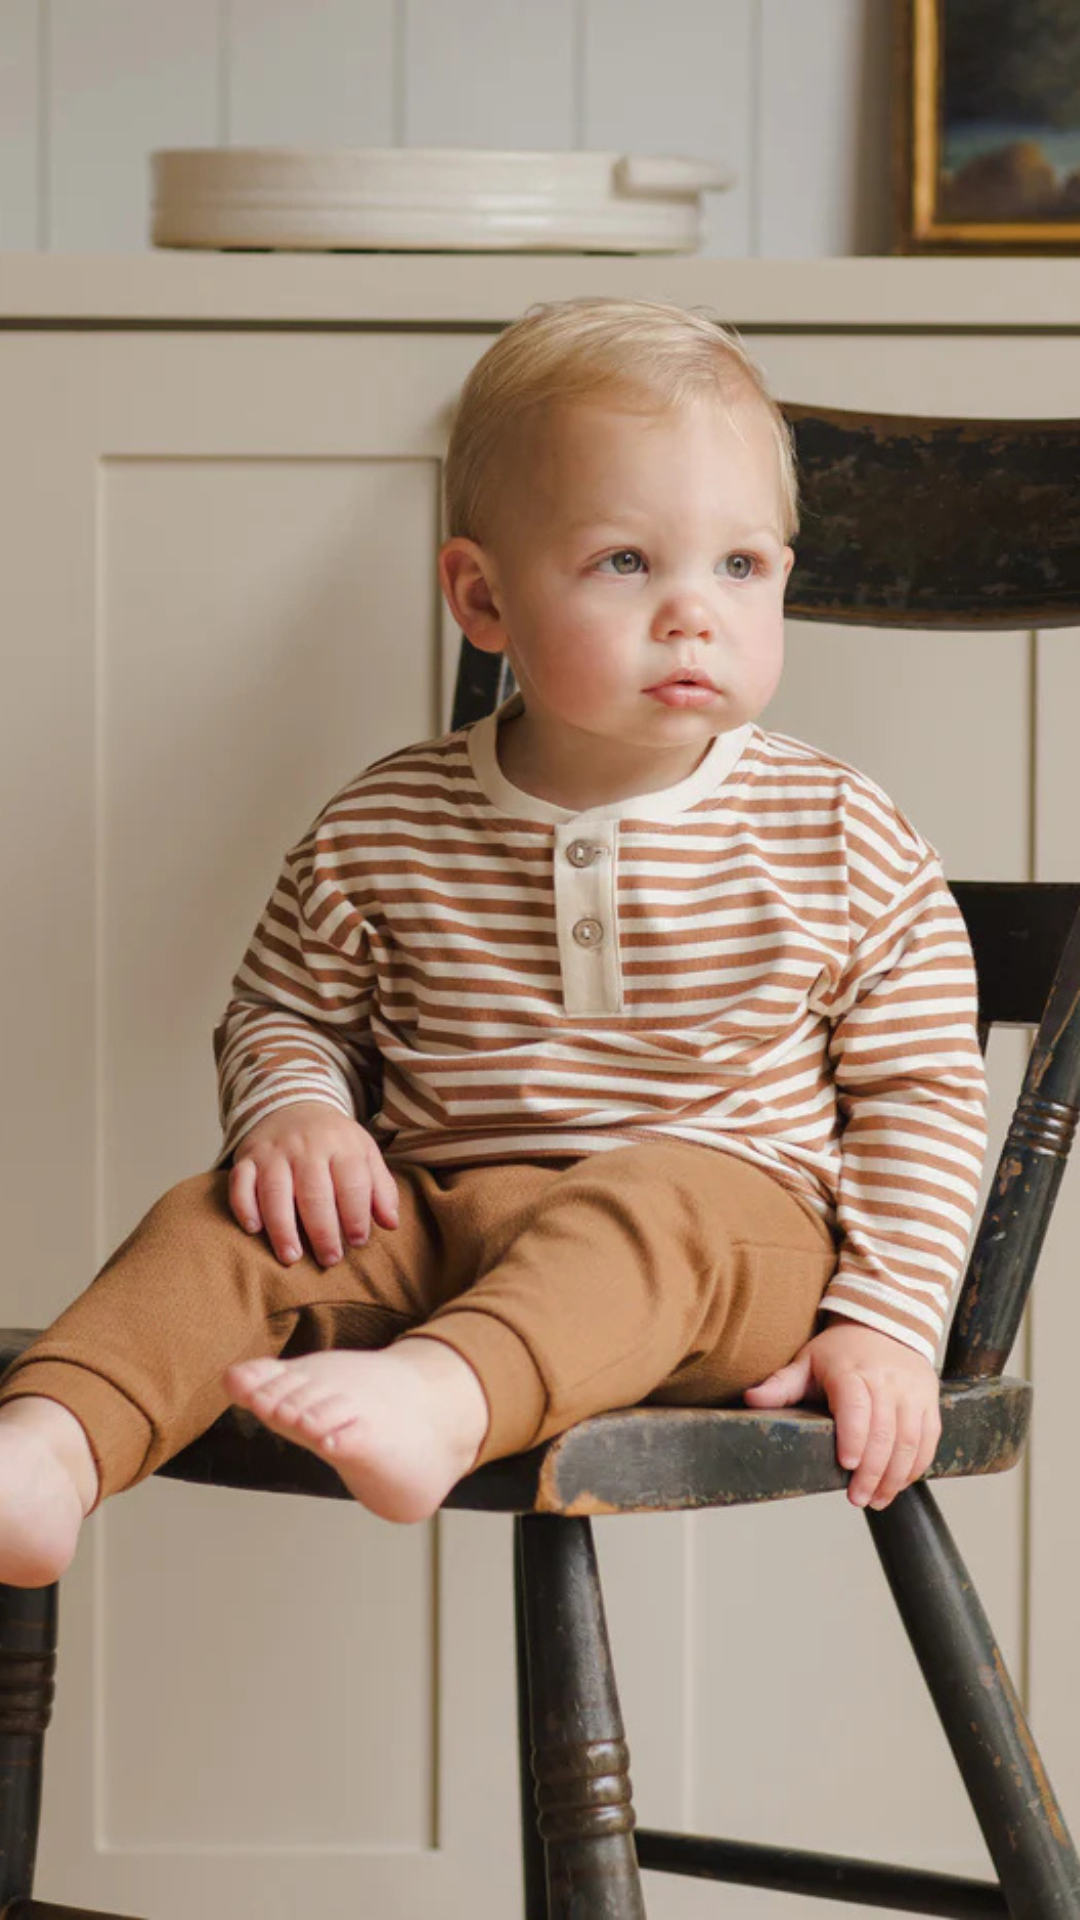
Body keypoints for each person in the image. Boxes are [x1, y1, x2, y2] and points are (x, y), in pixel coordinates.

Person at [0, 297, 988, 1587]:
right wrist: (296, 1116)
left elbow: (922, 1089)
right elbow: (283, 1012)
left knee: (653, 1196)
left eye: (738, 567)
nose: (693, 611)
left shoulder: (836, 829)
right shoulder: (385, 821)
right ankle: (55, 1443)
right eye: (626, 562)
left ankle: (443, 1393)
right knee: (214, 1222)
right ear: (484, 597)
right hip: (441, 1214)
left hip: (726, 1239)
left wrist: (887, 1323)